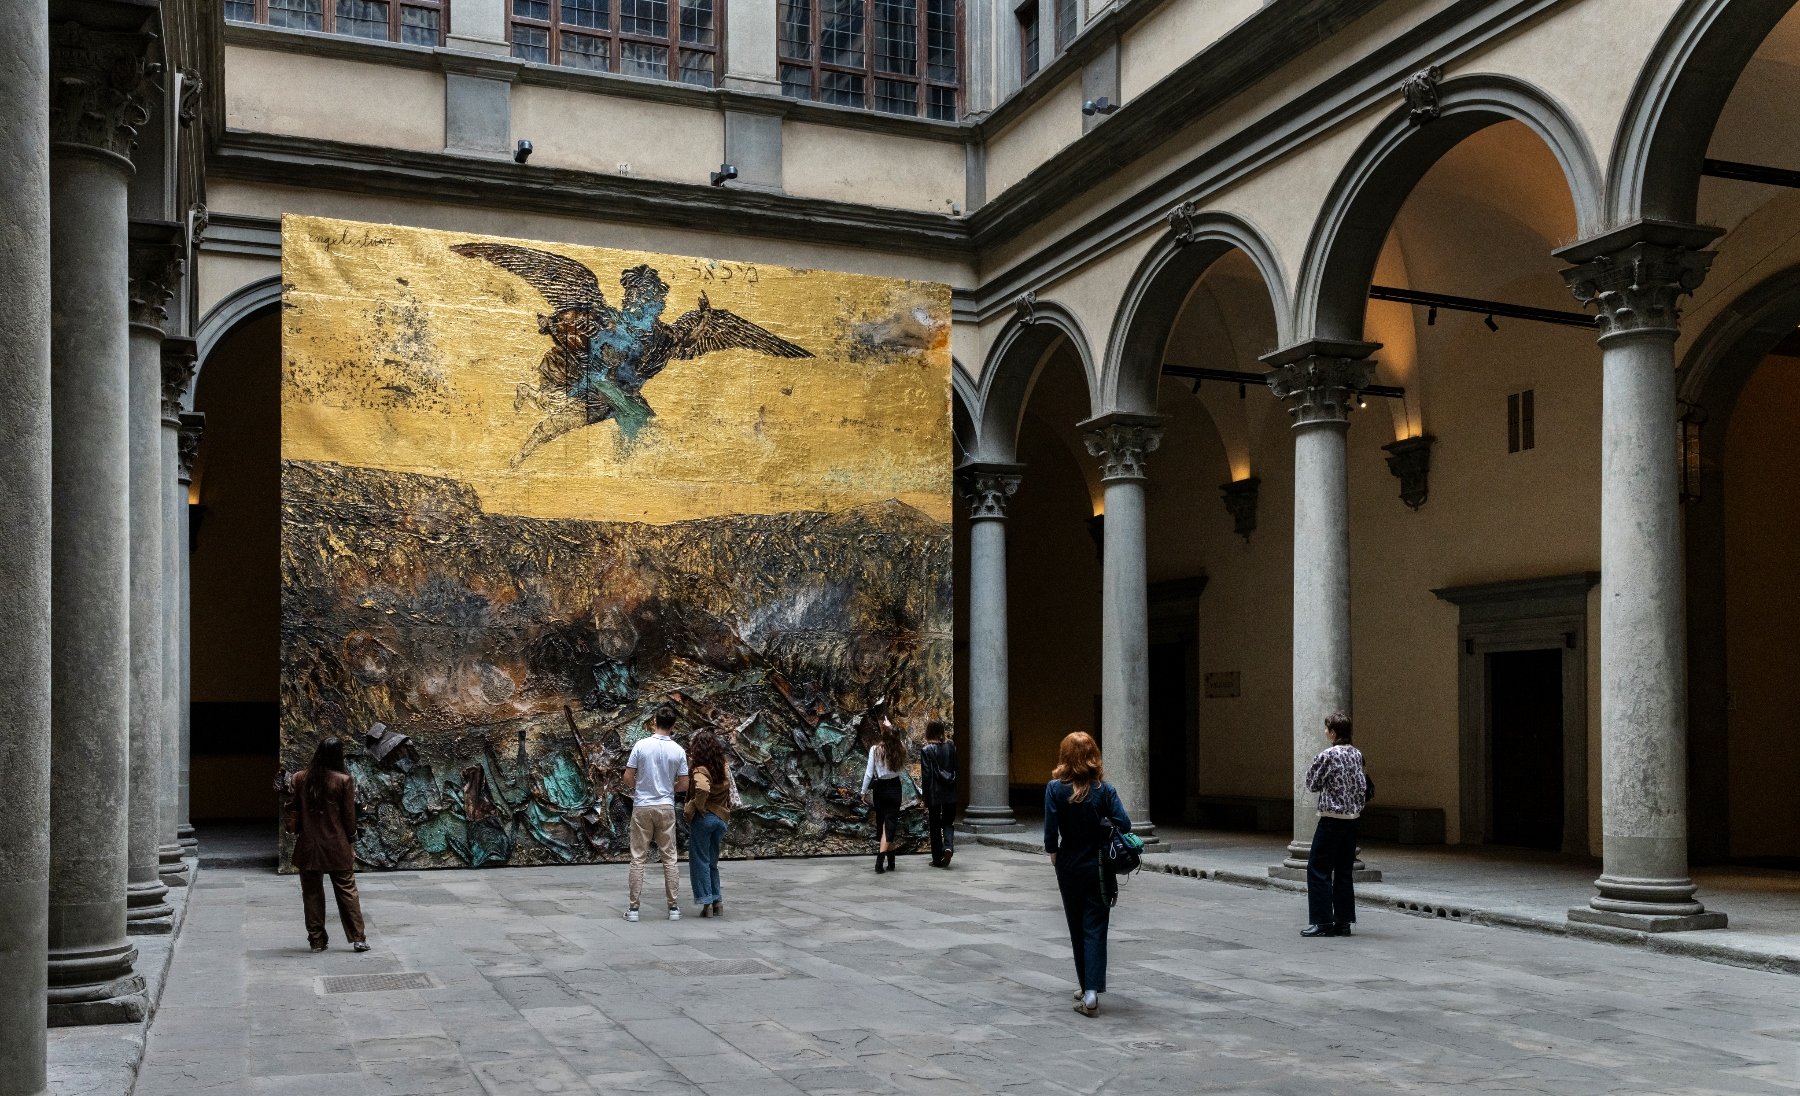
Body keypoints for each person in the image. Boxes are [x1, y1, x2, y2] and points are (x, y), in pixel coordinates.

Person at [1044, 731, 1130, 1018]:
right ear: (1093, 755)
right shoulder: (1104, 790)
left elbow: (1049, 833)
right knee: (1095, 927)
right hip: (1099, 864)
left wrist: (1054, 853)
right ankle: (1090, 990)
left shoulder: (1055, 788)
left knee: (1076, 925)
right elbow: (1125, 824)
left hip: (1068, 863)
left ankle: (1087, 989)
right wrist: (1102, 825)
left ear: (1065, 756)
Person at [288, 737, 370, 953]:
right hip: (336, 844)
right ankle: (358, 938)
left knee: (312, 894)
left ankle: (316, 940)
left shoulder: (300, 778)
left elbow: (294, 808)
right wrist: (352, 841)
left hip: (308, 846)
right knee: (347, 891)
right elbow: (349, 818)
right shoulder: (343, 780)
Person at [1301, 710, 1368, 939]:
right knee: (1343, 871)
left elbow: (1311, 783)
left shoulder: (1328, 755)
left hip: (1331, 819)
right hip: (1352, 821)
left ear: (1333, 732)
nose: (1325, 732)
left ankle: (1321, 922)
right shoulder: (1357, 755)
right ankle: (1343, 922)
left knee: (1317, 869)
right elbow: (1362, 785)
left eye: (1327, 728)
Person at [623, 705, 690, 922]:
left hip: (642, 805)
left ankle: (634, 909)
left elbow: (628, 777)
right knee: (669, 857)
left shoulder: (641, 746)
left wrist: (640, 787)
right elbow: (684, 783)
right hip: (666, 806)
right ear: (674, 725)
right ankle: (673, 908)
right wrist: (668, 789)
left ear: (654, 721)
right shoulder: (678, 751)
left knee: (638, 858)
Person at [683, 728, 732, 918]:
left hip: (705, 819)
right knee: (712, 861)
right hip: (721, 818)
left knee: (700, 861)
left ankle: (706, 903)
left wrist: (698, 805)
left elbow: (702, 787)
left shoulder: (700, 770)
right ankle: (717, 900)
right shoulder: (723, 767)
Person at [861, 717, 907, 873]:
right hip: (895, 787)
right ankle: (891, 861)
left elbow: (868, 774)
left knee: (885, 825)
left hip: (880, 789)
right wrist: (890, 726)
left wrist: (863, 791)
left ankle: (879, 862)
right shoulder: (900, 749)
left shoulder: (875, 750)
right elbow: (897, 738)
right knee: (890, 825)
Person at [919, 720, 957, 868]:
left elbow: (927, 775)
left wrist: (925, 797)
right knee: (948, 822)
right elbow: (956, 770)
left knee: (935, 826)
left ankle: (937, 859)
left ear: (928, 732)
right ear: (942, 731)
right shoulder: (951, 747)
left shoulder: (926, 750)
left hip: (934, 793)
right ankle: (948, 846)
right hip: (950, 792)